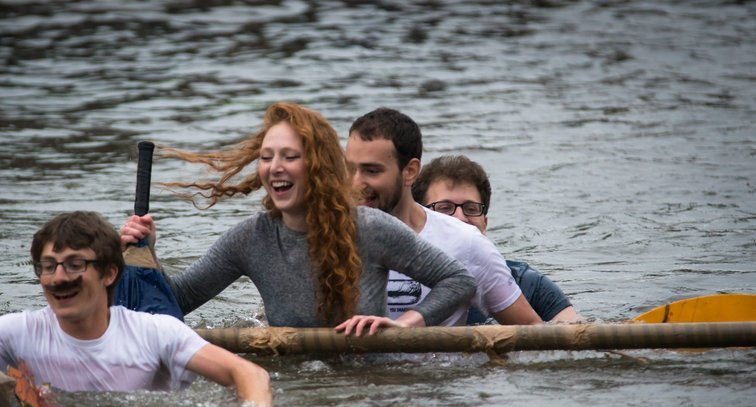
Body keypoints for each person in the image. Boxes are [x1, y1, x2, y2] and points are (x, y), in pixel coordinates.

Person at [119, 102, 476, 335]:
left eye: (289, 156)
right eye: (266, 157)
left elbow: (458, 281)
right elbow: (177, 301)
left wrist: (405, 324)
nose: (275, 167)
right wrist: (147, 256)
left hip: (374, 386)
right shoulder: (249, 238)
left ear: (317, 166)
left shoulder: (369, 228)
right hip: (296, 386)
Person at [0, 211, 273, 407]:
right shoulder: (19, 332)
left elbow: (247, 373)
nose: (58, 278)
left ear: (109, 273)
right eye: (48, 267)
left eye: (74, 265)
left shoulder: (157, 333)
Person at [345, 107, 543, 327]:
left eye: (371, 171)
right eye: (349, 169)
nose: (355, 183)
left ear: (410, 171)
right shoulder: (325, 235)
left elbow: (532, 331)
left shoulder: (466, 243)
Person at [412, 155, 583, 323]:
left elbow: (578, 338)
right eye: (445, 208)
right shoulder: (400, 288)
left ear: (484, 224)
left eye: (471, 209)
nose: (460, 218)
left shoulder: (527, 284)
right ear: (421, 218)